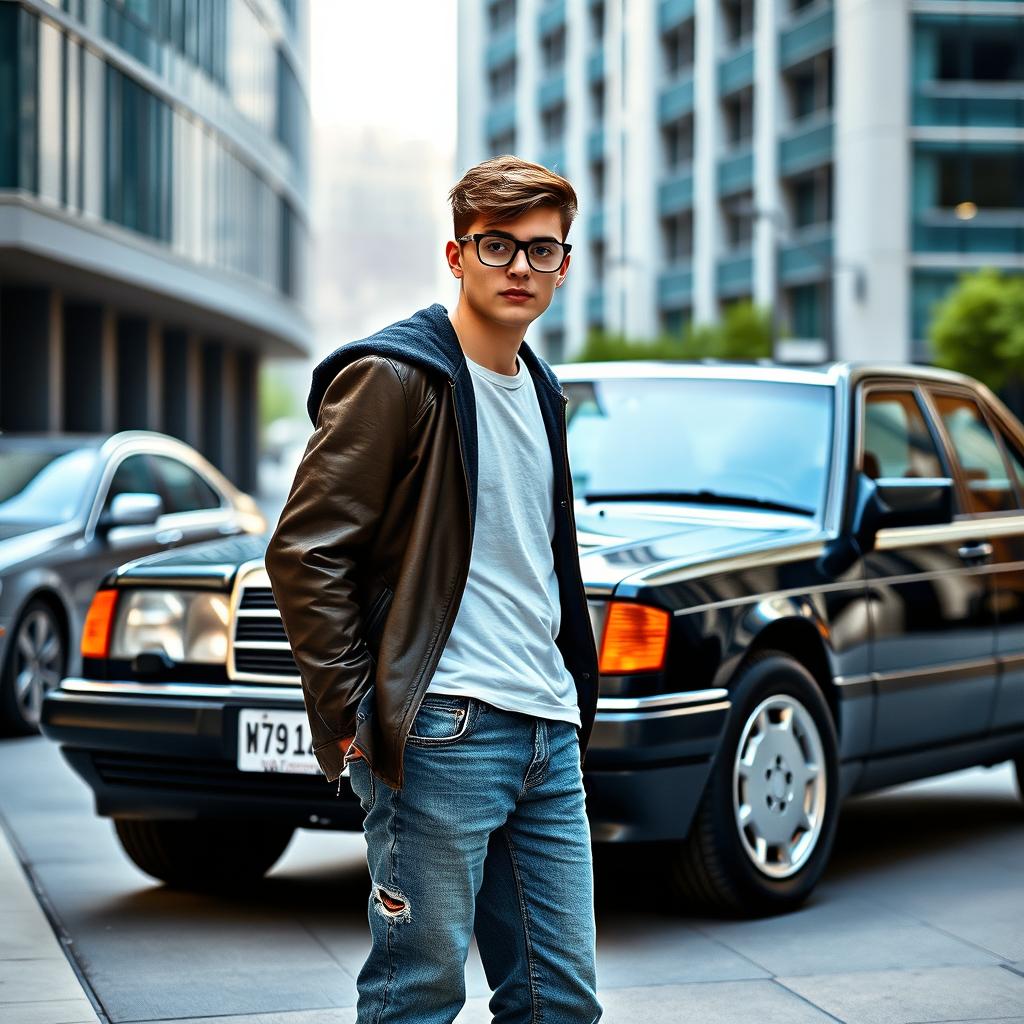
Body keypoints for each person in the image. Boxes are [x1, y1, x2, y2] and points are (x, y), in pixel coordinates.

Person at [264, 154, 603, 1024]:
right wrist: (352, 718)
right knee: (416, 995)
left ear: (566, 262)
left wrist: (571, 701)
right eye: (498, 247)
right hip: (443, 733)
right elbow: (306, 551)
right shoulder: (398, 376)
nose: (521, 268)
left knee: (559, 1003)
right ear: (457, 257)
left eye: (543, 250)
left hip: (547, 733)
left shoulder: (544, 391)